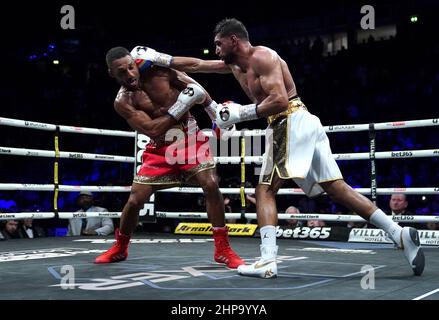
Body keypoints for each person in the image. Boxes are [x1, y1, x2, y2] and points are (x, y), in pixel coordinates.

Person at [134, 18, 425, 277]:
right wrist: (159, 57)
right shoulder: (235, 65)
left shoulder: (264, 57)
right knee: (337, 188)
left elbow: (279, 101)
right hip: (298, 122)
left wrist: (239, 114)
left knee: (265, 189)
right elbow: (197, 65)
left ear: (233, 39)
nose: (216, 49)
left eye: (218, 43)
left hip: (289, 120)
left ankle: (268, 260)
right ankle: (399, 234)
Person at [94, 47, 244, 268]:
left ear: (135, 63)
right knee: (135, 200)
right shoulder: (123, 101)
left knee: (211, 184)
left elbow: (195, 87)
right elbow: (153, 130)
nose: (129, 75)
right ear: (111, 74)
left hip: (190, 137)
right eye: (121, 73)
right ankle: (120, 247)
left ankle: (222, 249)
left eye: (130, 67)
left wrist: (212, 110)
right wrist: (182, 105)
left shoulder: (159, 71)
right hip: (159, 148)